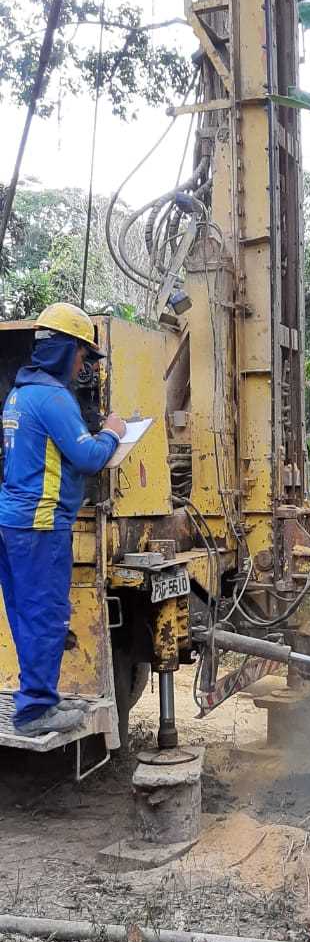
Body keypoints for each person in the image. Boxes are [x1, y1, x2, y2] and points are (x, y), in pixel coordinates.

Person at [0, 303, 126, 736]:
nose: (84, 365)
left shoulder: (19, 394)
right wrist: (112, 431)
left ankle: (35, 698)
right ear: (64, 350)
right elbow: (89, 457)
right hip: (40, 526)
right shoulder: (54, 398)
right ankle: (36, 710)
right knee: (48, 614)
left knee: (23, 614)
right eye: (81, 355)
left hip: (12, 522)